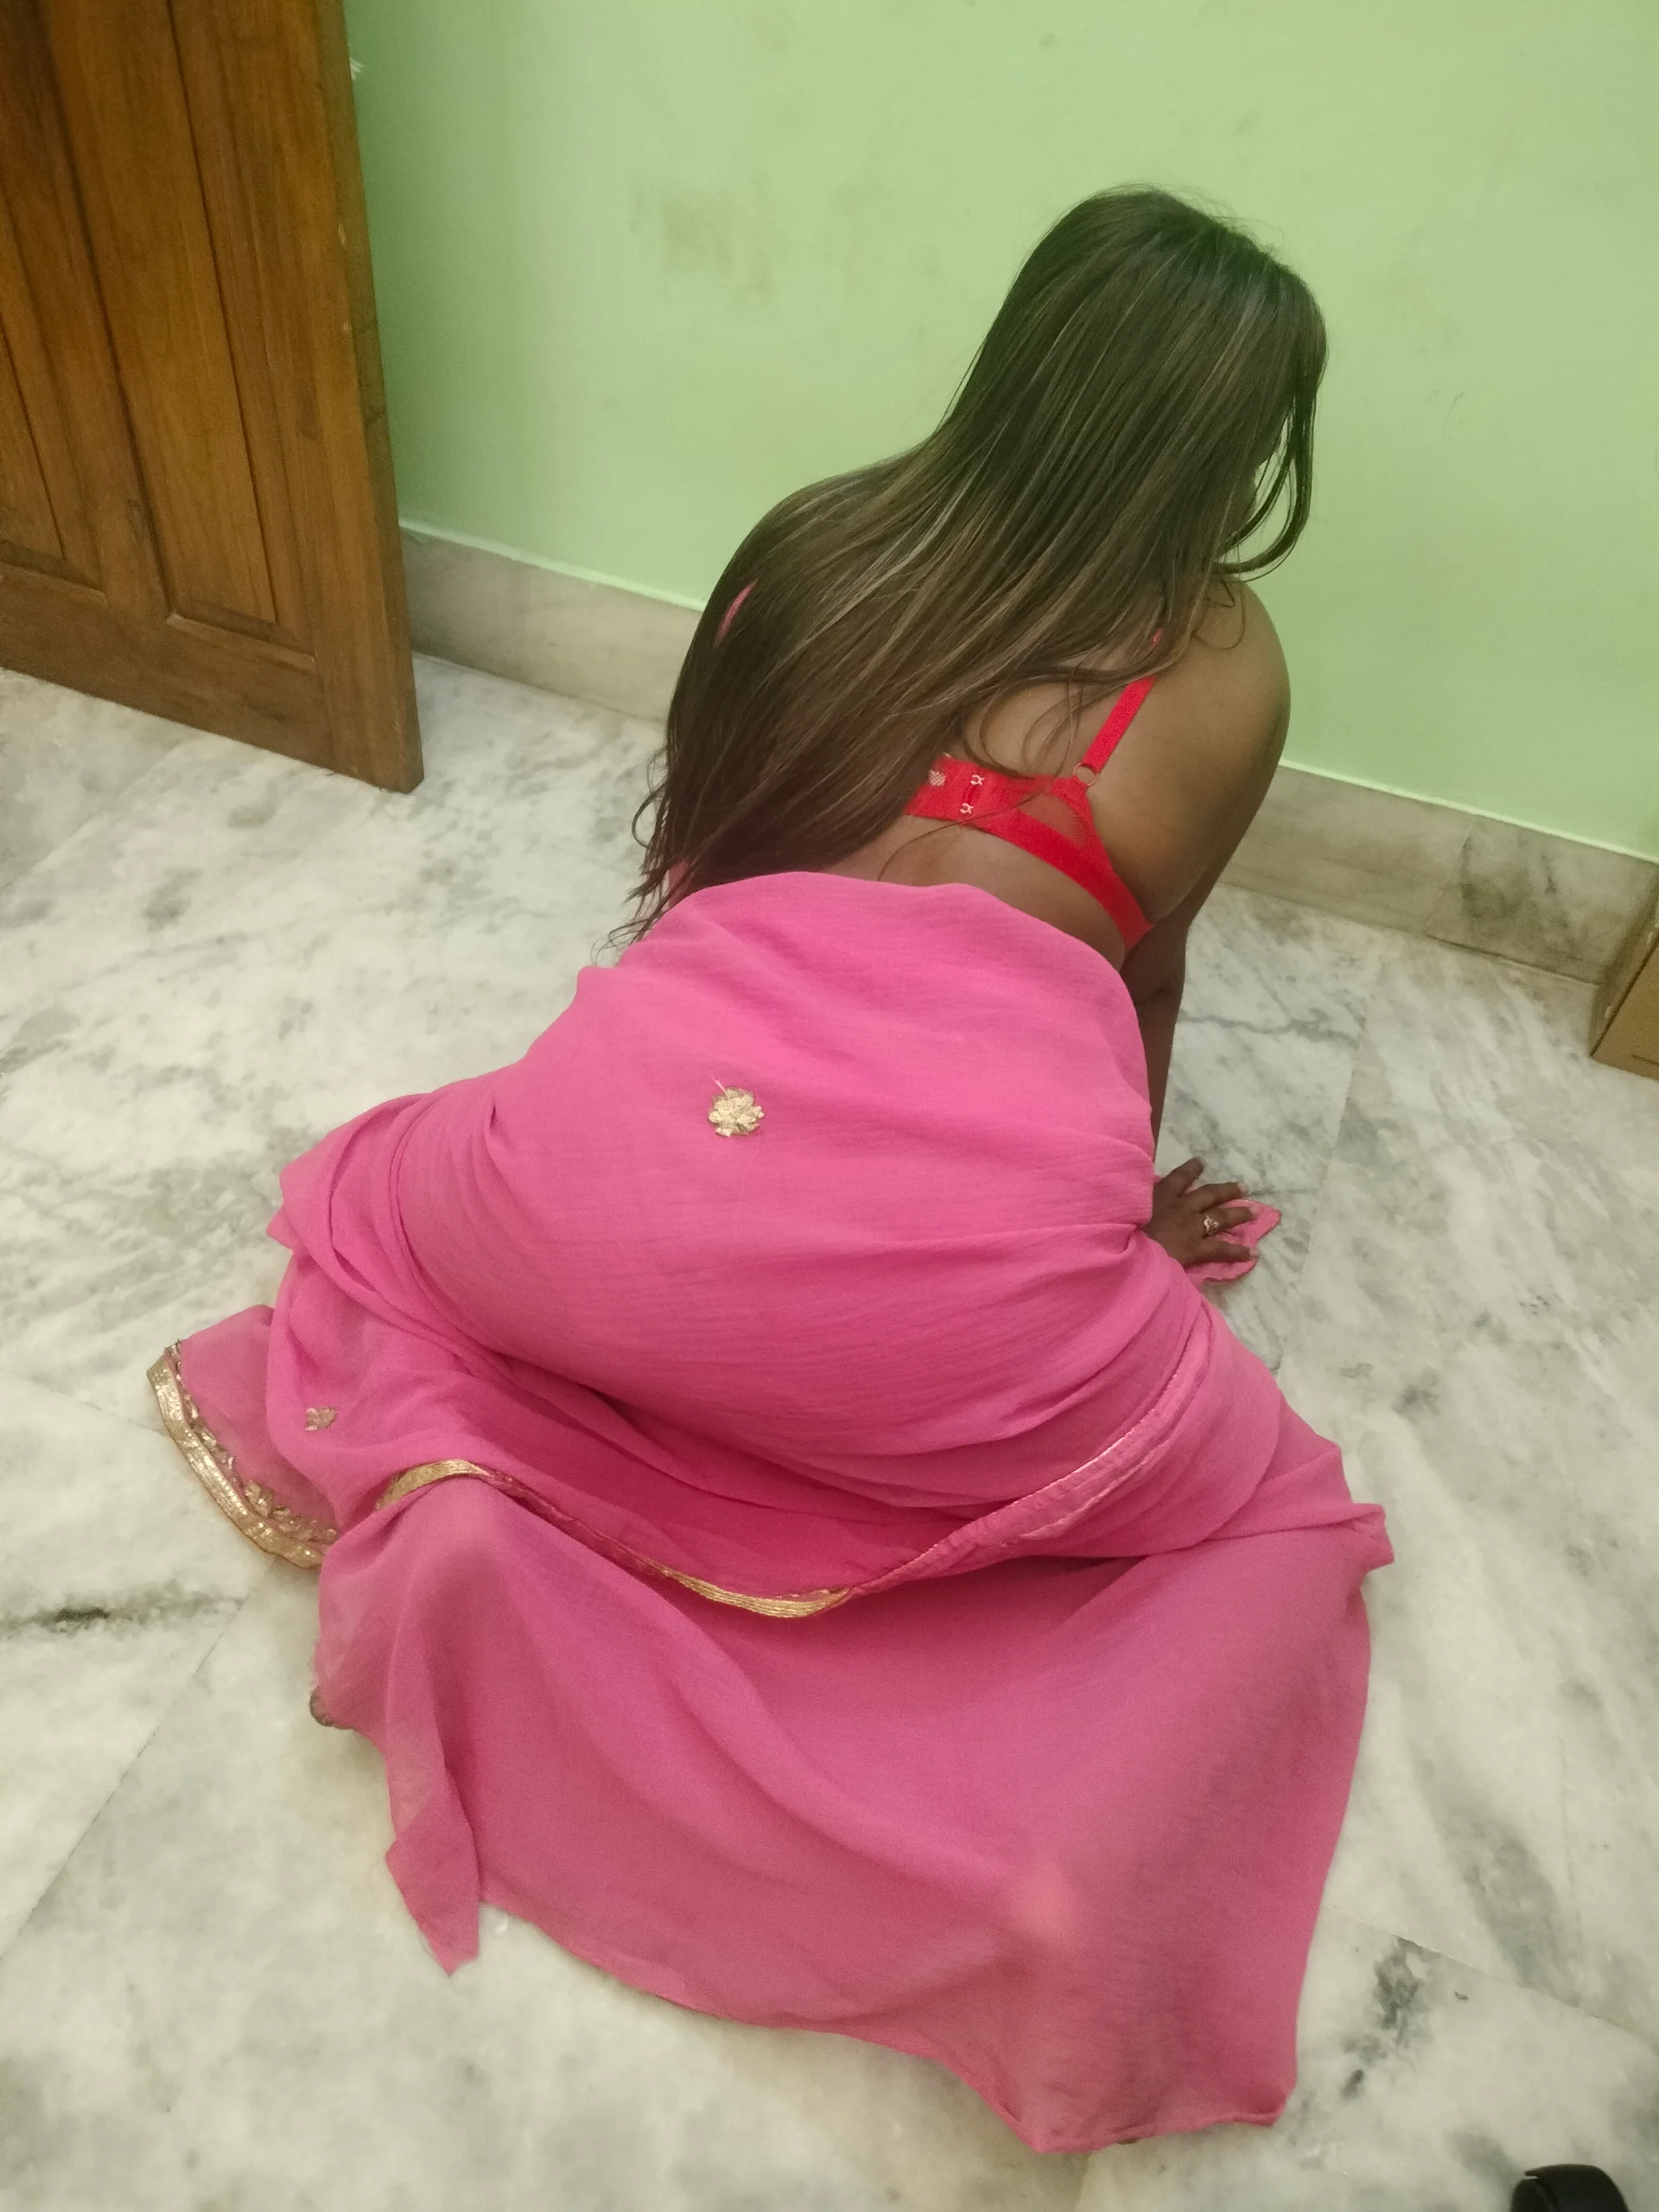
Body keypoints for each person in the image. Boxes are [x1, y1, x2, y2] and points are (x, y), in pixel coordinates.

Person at [152, 188, 1391, 2153]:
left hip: (615, 1168)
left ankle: (507, 1508)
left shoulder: (818, 550)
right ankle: (1020, 1867)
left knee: (373, 1190)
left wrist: (686, 1140)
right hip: (953, 1306)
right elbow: (1136, 977)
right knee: (1280, 1525)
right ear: (1245, 452)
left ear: (1024, 360)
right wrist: (1123, 1229)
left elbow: (697, 871)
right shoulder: (1228, 678)